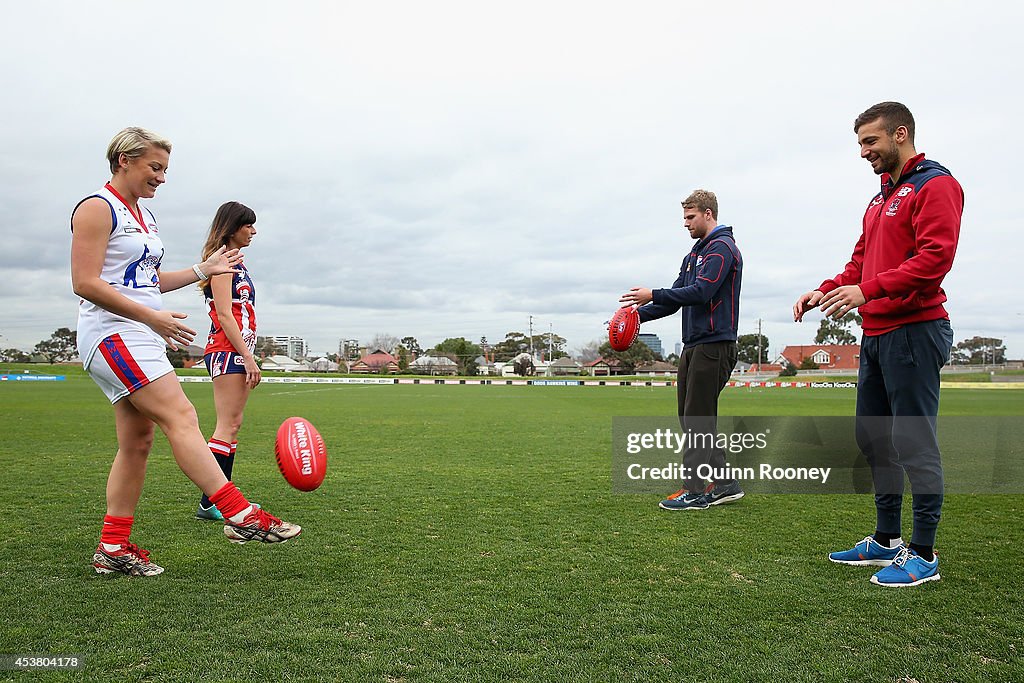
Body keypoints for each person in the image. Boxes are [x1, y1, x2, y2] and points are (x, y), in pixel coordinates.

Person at [71, 127, 301, 577]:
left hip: (136, 332)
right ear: (124, 160)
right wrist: (149, 317)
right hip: (114, 333)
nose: (162, 178)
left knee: (138, 442)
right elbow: (85, 283)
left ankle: (113, 546)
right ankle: (240, 514)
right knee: (182, 416)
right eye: (155, 167)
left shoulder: (144, 217)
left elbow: (147, 281)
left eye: (165, 170)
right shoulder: (97, 208)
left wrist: (203, 268)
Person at [793, 102, 962, 587]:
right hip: (876, 333)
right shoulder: (879, 198)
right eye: (860, 144)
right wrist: (826, 289)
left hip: (915, 330)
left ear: (900, 134)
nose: (864, 153)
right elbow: (860, 263)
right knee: (875, 441)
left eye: (871, 142)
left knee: (914, 442)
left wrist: (868, 291)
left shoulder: (936, 185)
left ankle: (923, 553)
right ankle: (886, 539)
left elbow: (935, 259)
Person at [620, 189, 744, 511]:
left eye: (690, 217)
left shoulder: (721, 248)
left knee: (698, 419)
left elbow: (702, 292)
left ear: (708, 214)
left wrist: (652, 294)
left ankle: (695, 491)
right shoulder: (693, 256)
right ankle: (726, 483)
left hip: (714, 345)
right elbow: (675, 298)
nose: (686, 224)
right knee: (691, 418)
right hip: (694, 345)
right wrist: (634, 317)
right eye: (684, 218)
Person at [194, 202, 262, 521]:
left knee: (233, 425)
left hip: (236, 351)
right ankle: (212, 502)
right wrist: (247, 357)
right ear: (233, 227)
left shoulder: (236, 262)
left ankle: (224, 500)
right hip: (227, 351)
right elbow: (224, 313)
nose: (253, 231)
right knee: (226, 425)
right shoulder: (222, 262)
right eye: (248, 225)